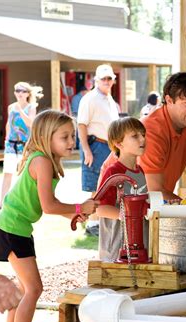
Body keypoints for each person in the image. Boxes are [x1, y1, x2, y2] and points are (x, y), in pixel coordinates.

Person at [0, 110, 98, 322]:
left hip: (13, 229)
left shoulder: (41, 160)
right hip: (12, 230)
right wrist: (78, 208)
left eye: (72, 135)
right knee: (34, 289)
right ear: (45, 137)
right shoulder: (42, 162)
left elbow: (45, 205)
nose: (71, 141)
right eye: (64, 137)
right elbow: (49, 206)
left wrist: (74, 213)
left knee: (23, 289)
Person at [101, 72, 186, 201]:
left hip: (148, 201)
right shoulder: (151, 131)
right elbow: (154, 191)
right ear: (169, 100)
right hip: (117, 201)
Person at [96, 117, 147, 262]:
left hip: (137, 245)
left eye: (143, 134)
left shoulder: (140, 171)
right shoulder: (114, 172)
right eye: (135, 136)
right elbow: (101, 208)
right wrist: (129, 217)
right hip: (116, 248)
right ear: (118, 143)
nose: (142, 139)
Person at [77, 64, 119, 236]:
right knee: (96, 185)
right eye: (104, 79)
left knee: (105, 185)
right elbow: (81, 125)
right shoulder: (90, 99)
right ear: (96, 80)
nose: (107, 81)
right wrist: (87, 150)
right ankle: (92, 223)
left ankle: (97, 221)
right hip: (96, 145)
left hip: (109, 146)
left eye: (110, 78)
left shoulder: (108, 98)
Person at [0, 82, 43, 212]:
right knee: (7, 173)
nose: (20, 93)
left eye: (23, 91)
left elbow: (30, 123)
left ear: (28, 93)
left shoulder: (31, 107)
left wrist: (20, 109)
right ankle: (1, 204)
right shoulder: (11, 107)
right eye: (17, 90)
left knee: (23, 174)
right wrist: (6, 140)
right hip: (11, 144)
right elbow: (9, 124)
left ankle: (24, 203)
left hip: (25, 145)